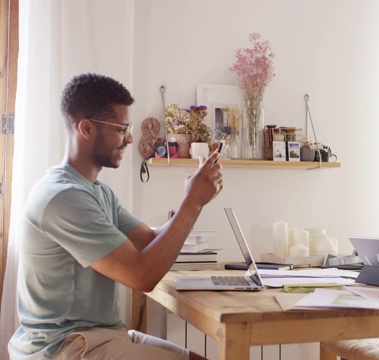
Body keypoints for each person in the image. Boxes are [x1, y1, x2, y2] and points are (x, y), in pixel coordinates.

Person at [9, 73, 223, 360]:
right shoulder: (64, 197)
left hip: (102, 335)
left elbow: (149, 240)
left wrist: (197, 198)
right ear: (86, 129)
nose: (130, 138)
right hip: (65, 347)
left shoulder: (96, 191)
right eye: (121, 128)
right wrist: (191, 203)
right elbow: (142, 275)